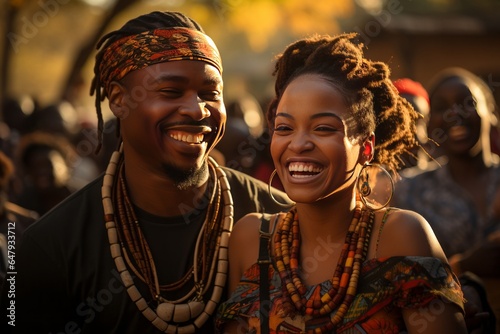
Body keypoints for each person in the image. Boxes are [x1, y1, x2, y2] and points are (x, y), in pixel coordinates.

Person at [0, 11, 291, 333]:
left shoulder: (281, 221)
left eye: (211, 93)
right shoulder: (53, 246)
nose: (197, 109)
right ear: (118, 100)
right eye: (170, 91)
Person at [216, 33, 467, 333]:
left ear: (366, 147)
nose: (298, 144)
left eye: (322, 128)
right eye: (284, 127)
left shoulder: (402, 237)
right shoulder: (251, 239)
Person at [393, 67, 500, 333]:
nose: (454, 114)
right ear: (429, 124)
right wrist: (462, 265)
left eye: (467, 103)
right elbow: (397, 279)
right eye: (441, 107)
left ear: (491, 111)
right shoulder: (408, 191)